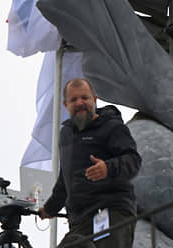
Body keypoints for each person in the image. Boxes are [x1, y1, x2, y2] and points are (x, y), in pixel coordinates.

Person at [39, 77, 141, 248]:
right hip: (80, 220)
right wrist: (50, 208)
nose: (80, 103)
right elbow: (66, 179)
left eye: (85, 98)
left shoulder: (113, 127)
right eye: (74, 99)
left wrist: (107, 168)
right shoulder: (66, 135)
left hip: (112, 213)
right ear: (66, 105)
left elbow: (133, 160)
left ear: (94, 100)